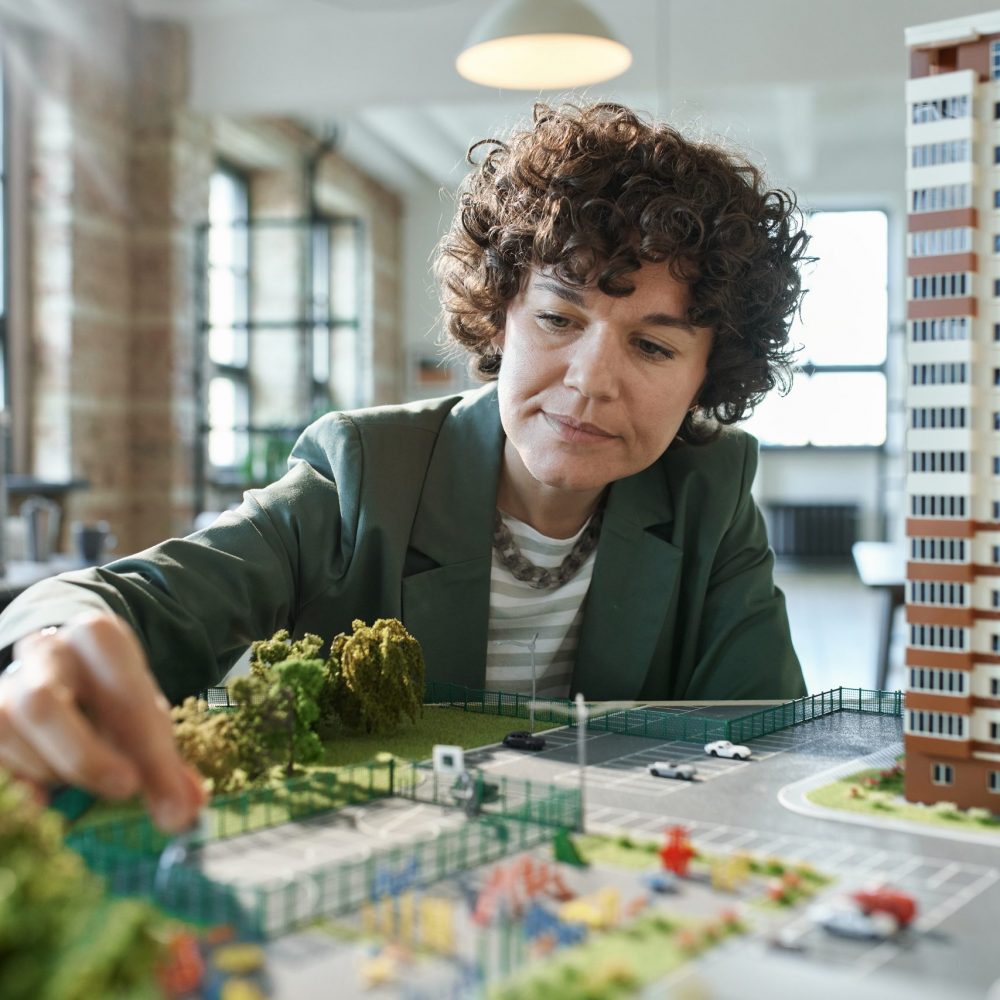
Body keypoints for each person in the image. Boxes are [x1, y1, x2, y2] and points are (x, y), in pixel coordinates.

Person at [0, 102, 810, 832]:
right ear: (500, 319)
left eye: (654, 344)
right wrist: (52, 645)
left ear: (712, 375)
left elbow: (772, 746)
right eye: (559, 317)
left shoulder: (711, 489)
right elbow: (124, 602)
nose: (590, 381)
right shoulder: (362, 470)